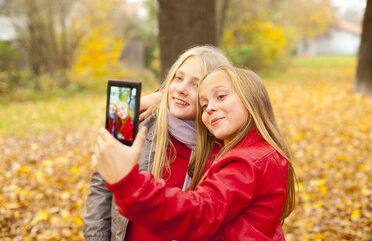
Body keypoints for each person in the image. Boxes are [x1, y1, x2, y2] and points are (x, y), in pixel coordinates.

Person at [92, 65, 297, 240]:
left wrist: (129, 184)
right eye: (204, 105)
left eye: (221, 96)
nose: (209, 108)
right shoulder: (250, 151)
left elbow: (199, 212)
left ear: (252, 97)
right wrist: (163, 98)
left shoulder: (247, 162)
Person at [83, 46, 231, 241]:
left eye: (196, 84)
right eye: (178, 78)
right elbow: (102, 187)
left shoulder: (222, 145)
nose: (181, 89)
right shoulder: (136, 121)